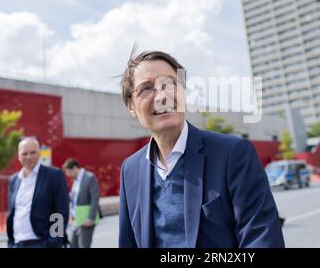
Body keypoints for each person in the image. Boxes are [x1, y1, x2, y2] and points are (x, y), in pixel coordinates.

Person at [118, 50, 284, 248]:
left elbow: (262, 239)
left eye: (170, 84)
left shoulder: (233, 154)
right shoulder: (130, 170)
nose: (163, 96)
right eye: (146, 88)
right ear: (131, 105)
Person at [7, 138, 69, 248]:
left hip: (42, 243)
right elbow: (13, 213)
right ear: (19, 156)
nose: (29, 157)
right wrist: (11, 244)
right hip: (17, 244)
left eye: (33, 152)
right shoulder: (14, 180)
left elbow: (60, 212)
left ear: (39, 153)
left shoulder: (53, 175)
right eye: (24, 153)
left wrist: (54, 242)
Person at [62, 158, 101, 248]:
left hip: (86, 219)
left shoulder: (90, 177)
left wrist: (90, 218)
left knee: (84, 245)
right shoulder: (76, 180)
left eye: (68, 172)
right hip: (76, 220)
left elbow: (94, 199)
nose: (67, 175)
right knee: (73, 245)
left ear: (74, 168)